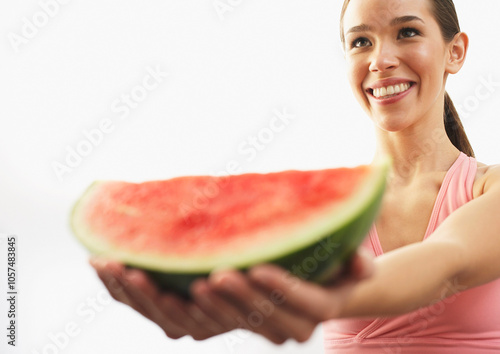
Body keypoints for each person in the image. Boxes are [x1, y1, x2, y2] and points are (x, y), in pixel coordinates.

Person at [90, 0, 500, 352]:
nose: (380, 60)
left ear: (455, 52)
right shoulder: (333, 212)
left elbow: (450, 262)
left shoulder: (489, 189)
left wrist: (327, 299)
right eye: (360, 41)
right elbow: (240, 277)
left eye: (407, 32)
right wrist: (206, 298)